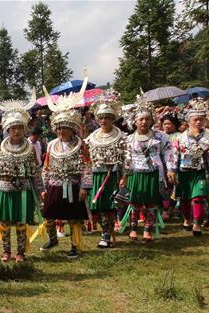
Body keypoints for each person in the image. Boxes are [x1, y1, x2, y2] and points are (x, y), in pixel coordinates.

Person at [0, 94, 41, 262]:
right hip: (4, 190)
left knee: (21, 222)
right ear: (8, 130)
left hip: (23, 191)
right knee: (4, 222)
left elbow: (36, 172)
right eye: (13, 128)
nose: (16, 131)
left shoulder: (30, 149)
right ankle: (6, 251)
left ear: (24, 129)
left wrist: (41, 191)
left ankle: (20, 253)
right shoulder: (0, 150)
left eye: (19, 127)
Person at [39, 88, 91, 259]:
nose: (62, 131)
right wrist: (43, 187)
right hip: (54, 185)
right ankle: (53, 239)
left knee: (74, 218)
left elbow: (86, 166)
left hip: (73, 185)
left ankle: (75, 246)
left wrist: (85, 187)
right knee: (48, 214)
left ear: (72, 129)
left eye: (66, 128)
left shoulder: (81, 145)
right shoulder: (52, 144)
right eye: (59, 128)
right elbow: (46, 166)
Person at [122, 97, 172, 242]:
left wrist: (170, 169)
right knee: (135, 203)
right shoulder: (129, 139)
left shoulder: (160, 136)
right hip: (135, 174)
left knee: (151, 203)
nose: (144, 122)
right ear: (135, 121)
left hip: (154, 174)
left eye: (147, 119)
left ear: (152, 121)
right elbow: (127, 158)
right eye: (141, 119)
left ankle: (147, 230)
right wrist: (124, 176)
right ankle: (133, 230)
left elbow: (169, 153)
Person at [84, 96, 127, 248]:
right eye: (101, 118)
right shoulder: (92, 137)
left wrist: (124, 176)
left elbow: (126, 158)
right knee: (99, 206)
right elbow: (86, 156)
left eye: (107, 118)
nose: (104, 121)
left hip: (112, 175)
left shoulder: (121, 136)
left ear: (113, 119)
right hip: (96, 174)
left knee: (109, 205)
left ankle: (106, 235)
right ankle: (105, 233)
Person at [168, 99, 209, 236]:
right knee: (184, 199)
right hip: (183, 172)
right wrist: (171, 170)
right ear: (189, 121)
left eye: (201, 119)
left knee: (198, 197)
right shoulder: (180, 138)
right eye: (195, 120)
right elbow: (174, 156)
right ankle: (187, 219)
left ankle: (197, 223)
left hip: (200, 171)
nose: (198, 122)